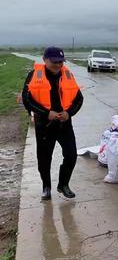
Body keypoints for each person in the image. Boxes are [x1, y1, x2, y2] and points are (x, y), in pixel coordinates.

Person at [22, 47, 83, 200]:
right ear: (45, 60)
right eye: (54, 61)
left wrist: (69, 113)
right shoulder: (34, 76)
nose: (58, 65)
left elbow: (79, 99)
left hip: (64, 124)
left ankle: (63, 184)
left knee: (71, 155)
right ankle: (46, 186)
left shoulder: (68, 75)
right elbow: (27, 99)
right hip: (44, 125)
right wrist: (45, 113)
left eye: (61, 61)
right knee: (44, 158)